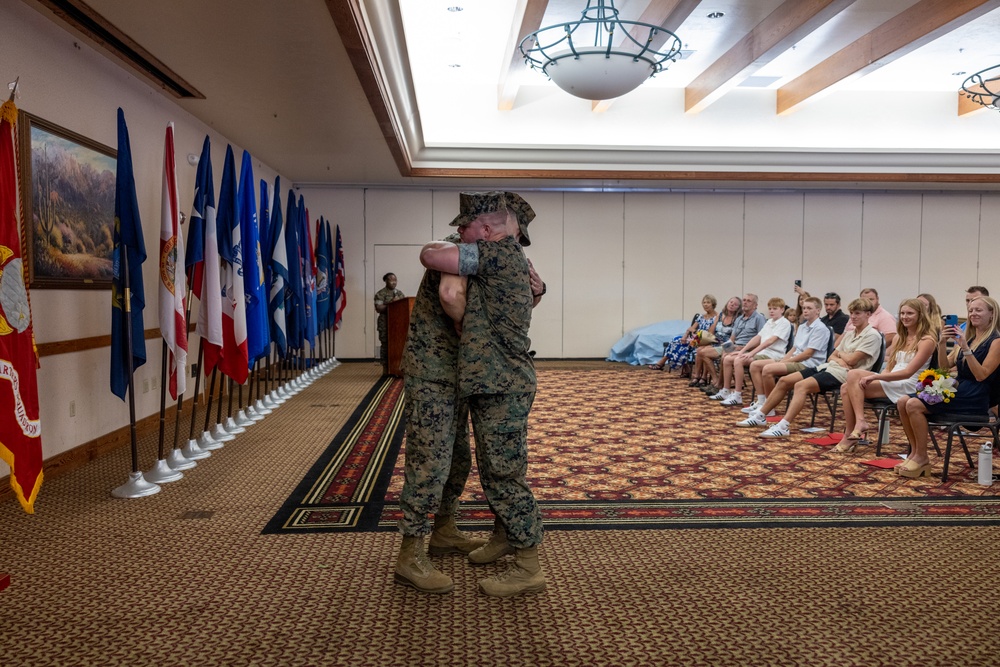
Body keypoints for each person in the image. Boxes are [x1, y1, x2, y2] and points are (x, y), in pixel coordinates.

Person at [422, 191, 546, 598]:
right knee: (499, 469)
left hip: (502, 383)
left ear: (488, 230)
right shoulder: (512, 259)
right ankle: (507, 537)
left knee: (505, 474)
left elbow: (431, 257)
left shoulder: (493, 254)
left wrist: (467, 327)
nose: (461, 231)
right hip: (497, 381)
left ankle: (529, 565)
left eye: (468, 227)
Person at [394, 251, 484, 594]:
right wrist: (469, 327)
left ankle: (444, 530)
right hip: (432, 373)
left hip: (456, 371)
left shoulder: (478, 252)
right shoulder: (455, 251)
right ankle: (410, 554)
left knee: (458, 458)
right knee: (428, 463)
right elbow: (450, 294)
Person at [742, 298, 883, 438]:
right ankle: (761, 415)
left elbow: (852, 361)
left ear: (868, 314)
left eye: (857, 313)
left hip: (844, 374)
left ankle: (784, 426)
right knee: (784, 381)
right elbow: (831, 356)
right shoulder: (851, 333)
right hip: (828, 367)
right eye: (852, 313)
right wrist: (840, 356)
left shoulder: (872, 335)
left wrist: (840, 355)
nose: (853, 317)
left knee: (801, 386)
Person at [895, 296, 1000, 478]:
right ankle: (914, 454)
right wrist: (942, 343)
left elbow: (981, 375)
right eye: (971, 310)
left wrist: (966, 348)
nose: (973, 313)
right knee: (903, 400)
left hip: (976, 396)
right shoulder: (969, 337)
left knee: (913, 404)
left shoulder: (996, 341)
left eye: (979, 310)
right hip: (958, 388)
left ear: (992, 314)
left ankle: (921, 457)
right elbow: (944, 367)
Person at [833, 298, 937, 452]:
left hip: (910, 383)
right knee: (846, 386)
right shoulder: (899, 337)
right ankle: (856, 426)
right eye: (902, 313)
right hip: (892, 379)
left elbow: (908, 372)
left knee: (849, 382)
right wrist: (881, 376)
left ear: (920, 315)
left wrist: (875, 377)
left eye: (910, 313)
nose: (905, 317)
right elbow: (889, 368)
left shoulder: (927, 340)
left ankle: (855, 429)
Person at [737, 297, 829, 425]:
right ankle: (764, 403)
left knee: (768, 369)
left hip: (808, 364)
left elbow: (808, 354)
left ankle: (768, 408)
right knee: (757, 365)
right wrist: (784, 360)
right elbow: (794, 348)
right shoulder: (802, 327)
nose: (805, 311)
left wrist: (785, 362)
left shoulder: (820, 328)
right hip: (795, 359)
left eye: (809, 308)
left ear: (818, 311)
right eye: (804, 308)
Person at [719, 298, 791, 408]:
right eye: (770, 309)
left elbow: (769, 341)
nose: (771, 311)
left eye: (775, 309)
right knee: (729, 358)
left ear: (782, 310)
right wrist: (742, 351)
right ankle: (726, 390)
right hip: (762, 352)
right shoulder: (769, 322)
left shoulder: (784, 323)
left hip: (773, 354)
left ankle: (740, 395)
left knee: (739, 360)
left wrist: (751, 353)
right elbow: (757, 337)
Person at [708, 294, 767, 399]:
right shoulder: (739, 319)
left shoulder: (759, 318)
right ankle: (725, 389)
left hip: (749, 349)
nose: (745, 302)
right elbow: (732, 338)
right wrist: (727, 346)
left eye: (748, 301)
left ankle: (724, 388)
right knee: (722, 353)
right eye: (744, 300)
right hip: (736, 346)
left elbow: (762, 340)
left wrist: (744, 348)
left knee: (726, 358)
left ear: (755, 305)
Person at [648, 295, 718, 375]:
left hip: (706, 341)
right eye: (704, 302)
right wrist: (685, 335)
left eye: (708, 302)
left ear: (713, 304)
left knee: (682, 345)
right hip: (696, 338)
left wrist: (695, 332)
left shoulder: (717, 317)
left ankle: (663, 364)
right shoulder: (701, 317)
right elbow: (691, 328)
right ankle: (668, 364)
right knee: (677, 340)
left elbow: (709, 333)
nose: (705, 304)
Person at [689, 296, 741, 387]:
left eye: (735, 304)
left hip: (727, 344)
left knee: (703, 352)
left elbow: (734, 337)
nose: (732, 305)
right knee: (699, 350)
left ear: (738, 308)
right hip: (716, 341)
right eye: (731, 302)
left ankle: (710, 379)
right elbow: (711, 331)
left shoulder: (738, 319)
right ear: (727, 303)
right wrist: (707, 338)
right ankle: (712, 378)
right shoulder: (720, 315)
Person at [374, 272, 405, 373]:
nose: (394, 282)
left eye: (395, 280)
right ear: (386, 281)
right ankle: (385, 367)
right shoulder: (380, 294)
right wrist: (391, 303)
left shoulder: (399, 293)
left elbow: (404, 305)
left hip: (398, 323)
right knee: (385, 344)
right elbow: (379, 308)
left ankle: (397, 367)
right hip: (385, 323)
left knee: (399, 343)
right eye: (391, 280)